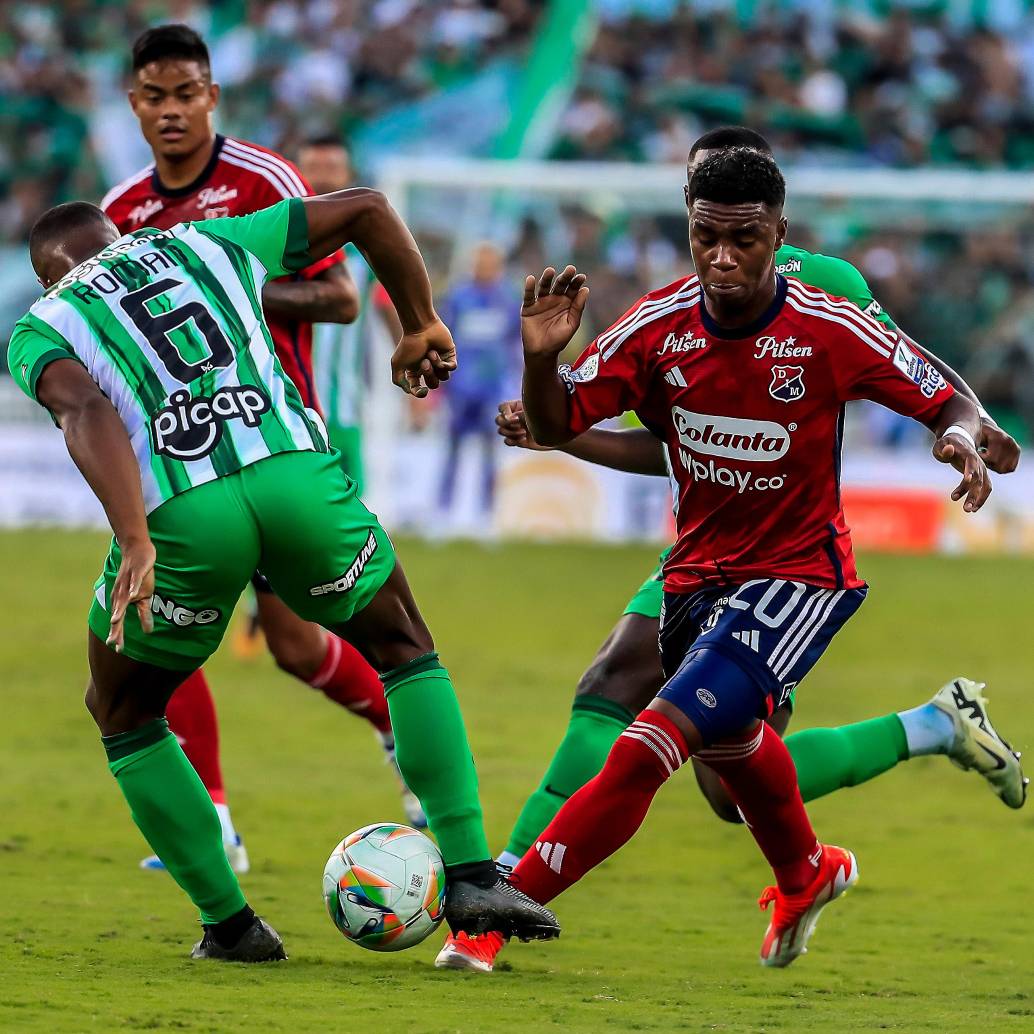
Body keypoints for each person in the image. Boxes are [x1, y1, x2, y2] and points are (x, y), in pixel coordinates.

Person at [436, 127, 1025, 974]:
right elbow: (569, 422)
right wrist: (541, 365)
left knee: (650, 734)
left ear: (778, 231)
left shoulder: (832, 313)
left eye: (742, 236)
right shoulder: (657, 323)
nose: (721, 255)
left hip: (798, 576)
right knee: (728, 758)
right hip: (695, 572)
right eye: (704, 232)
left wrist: (964, 434)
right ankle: (811, 866)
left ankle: (492, 913)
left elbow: (940, 391)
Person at [9, 189, 560, 961]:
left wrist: (135, 539)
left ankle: (232, 926)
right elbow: (368, 209)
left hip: (184, 514)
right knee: (404, 647)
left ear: (47, 278)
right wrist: (420, 324)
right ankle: (472, 874)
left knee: (124, 710)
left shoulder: (42, 323)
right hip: (293, 475)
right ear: (121, 233)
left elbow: (85, 413)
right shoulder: (203, 240)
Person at [102, 25, 424, 873]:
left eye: (186, 94)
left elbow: (341, 299)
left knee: (297, 645)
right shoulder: (120, 212)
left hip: (273, 440)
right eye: (155, 97)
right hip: (176, 457)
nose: (172, 111)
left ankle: (394, 725)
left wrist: (221, 282)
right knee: (161, 633)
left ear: (212, 96)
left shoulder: (262, 181)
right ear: (134, 104)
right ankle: (214, 823)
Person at [436, 242, 522, 525]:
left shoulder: (507, 299)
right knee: (452, 447)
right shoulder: (458, 297)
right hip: (461, 387)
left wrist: (515, 379)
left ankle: (487, 513)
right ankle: (443, 510)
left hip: (493, 387)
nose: (484, 269)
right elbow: (445, 337)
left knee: (490, 449)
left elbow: (515, 343)